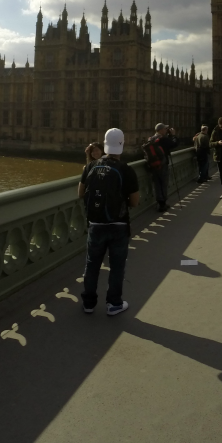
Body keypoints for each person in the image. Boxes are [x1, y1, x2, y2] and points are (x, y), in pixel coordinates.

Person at [78, 128, 140, 316]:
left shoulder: (90, 167)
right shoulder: (126, 170)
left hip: (95, 224)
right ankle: (113, 304)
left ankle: (88, 303)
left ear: (104, 144)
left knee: (92, 265)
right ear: (122, 144)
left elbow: (80, 193)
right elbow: (135, 202)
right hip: (119, 225)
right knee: (117, 266)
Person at [145, 122, 178, 212]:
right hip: (163, 165)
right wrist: (173, 135)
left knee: (157, 184)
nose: (166, 130)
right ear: (160, 130)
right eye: (165, 129)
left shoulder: (151, 139)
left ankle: (159, 203)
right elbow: (174, 144)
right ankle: (163, 204)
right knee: (163, 183)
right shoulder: (163, 139)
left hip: (153, 165)